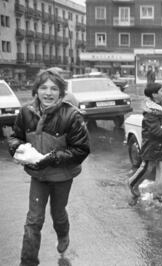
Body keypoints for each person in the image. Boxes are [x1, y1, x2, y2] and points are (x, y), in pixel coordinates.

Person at [8, 69, 90, 266]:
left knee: (58, 213)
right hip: (38, 175)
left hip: (62, 176)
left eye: (54, 88)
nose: (48, 93)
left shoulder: (72, 116)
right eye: (43, 87)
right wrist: (16, 148)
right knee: (33, 220)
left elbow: (81, 150)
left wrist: (52, 158)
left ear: (61, 93)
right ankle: (28, 262)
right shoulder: (26, 113)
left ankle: (63, 234)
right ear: (36, 91)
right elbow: (15, 136)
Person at [127, 82, 162, 204]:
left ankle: (159, 195)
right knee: (146, 169)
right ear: (154, 95)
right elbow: (158, 132)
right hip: (152, 147)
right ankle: (132, 183)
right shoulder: (150, 113)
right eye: (161, 91)